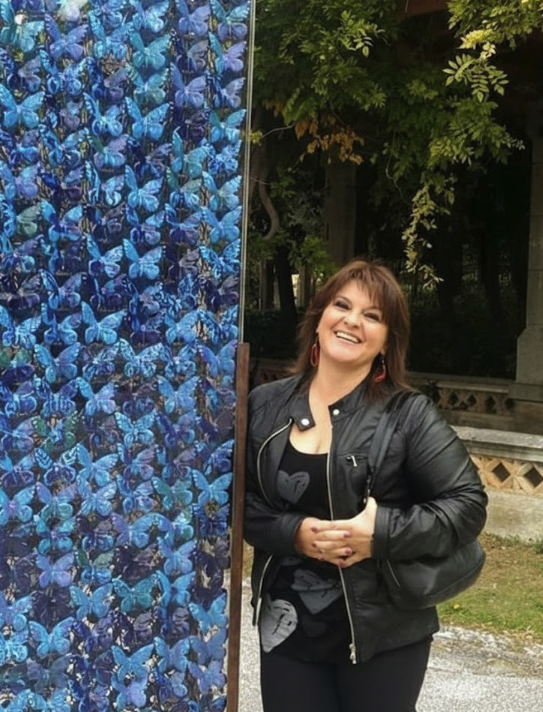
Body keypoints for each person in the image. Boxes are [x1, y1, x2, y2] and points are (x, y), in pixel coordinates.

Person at [243, 258, 488, 712]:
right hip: (286, 627)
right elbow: (236, 502)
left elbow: (467, 504)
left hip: (384, 633)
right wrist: (293, 533)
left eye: (372, 315)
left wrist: (379, 534)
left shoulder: (408, 415)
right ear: (318, 318)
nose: (352, 321)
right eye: (342, 305)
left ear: (387, 342)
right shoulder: (264, 405)